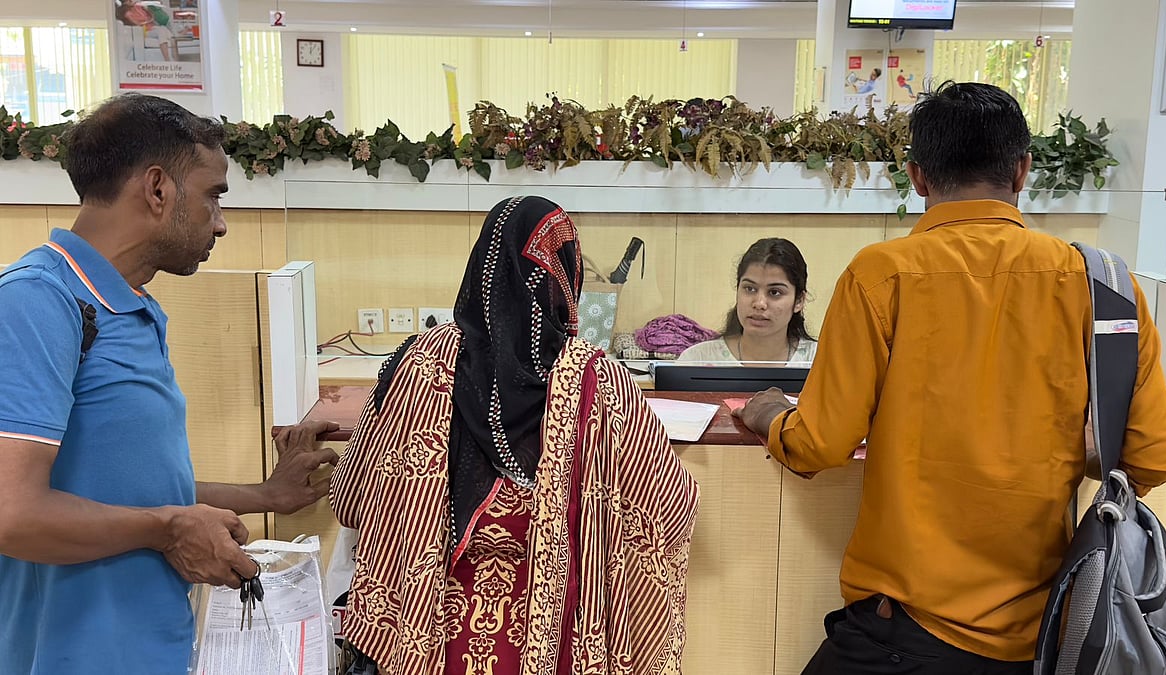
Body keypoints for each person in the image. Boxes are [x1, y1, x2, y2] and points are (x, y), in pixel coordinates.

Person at [736, 81, 1166, 673]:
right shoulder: (1099, 284)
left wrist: (769, 415)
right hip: (1041, 635)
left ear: (918, 176)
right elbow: (1153, 456)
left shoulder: (881, 275)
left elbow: (820, 443)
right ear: (1022, 170)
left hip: (904, 630)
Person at [0, 93, 340, 674]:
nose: (223, 223)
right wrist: (170, 529)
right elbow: (12, 513)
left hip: (153, 646)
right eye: (213, 197)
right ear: (157, 189)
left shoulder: (133, 307)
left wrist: (263, 496)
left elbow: (126, 483)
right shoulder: (36, 301)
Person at [329, 195, 700, 675]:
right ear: (565, 279)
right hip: (554, 640)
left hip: (425, 639)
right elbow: (667, 511)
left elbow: (354, 500)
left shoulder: (420, 365)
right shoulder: (600, 384)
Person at [678, 237, 816, 364]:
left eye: (775, 292)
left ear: (799, 301)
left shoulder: (819, 361)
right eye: (750, 289)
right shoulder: (697, 359)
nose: (759, 304)